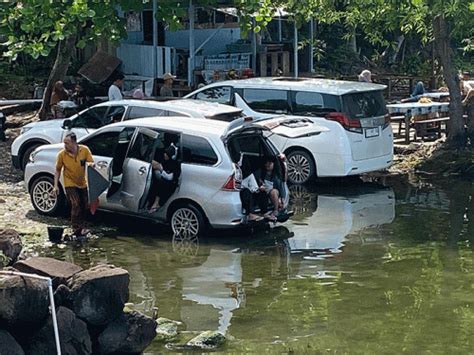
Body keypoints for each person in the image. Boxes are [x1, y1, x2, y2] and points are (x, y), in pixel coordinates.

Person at [53, 132, 94, 236]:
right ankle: (75, 228)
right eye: (64, 143)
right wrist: (55, 186)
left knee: (85, 205)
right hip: (69, 182)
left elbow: (90, 162)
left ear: (74, 142)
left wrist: (91, 165)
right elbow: (57, 170)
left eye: (67, 143)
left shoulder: (84, 150)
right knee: (75, 204)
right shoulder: (62, 154)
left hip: (82, 182)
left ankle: (83, 226)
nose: (65, 146)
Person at [241, 157, 286, 222]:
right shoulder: (259, 172)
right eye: (266, 163)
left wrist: (282, 199)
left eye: (270, 163)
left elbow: (282, 188)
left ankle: (274, 211)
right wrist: (259, 188)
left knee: (272, 192)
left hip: (272, 194)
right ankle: (256, 214)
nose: (267, 165)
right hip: (256, 193)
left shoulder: (276, 176)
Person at [148, 145, 180, 213]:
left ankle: (157, 203)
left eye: (167, 155)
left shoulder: (175, 165)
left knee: (161, 184)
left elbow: (170, 177)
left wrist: (161, 169)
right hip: (161, 179)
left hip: (170, 184)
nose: (165, 155)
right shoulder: (164, 160)